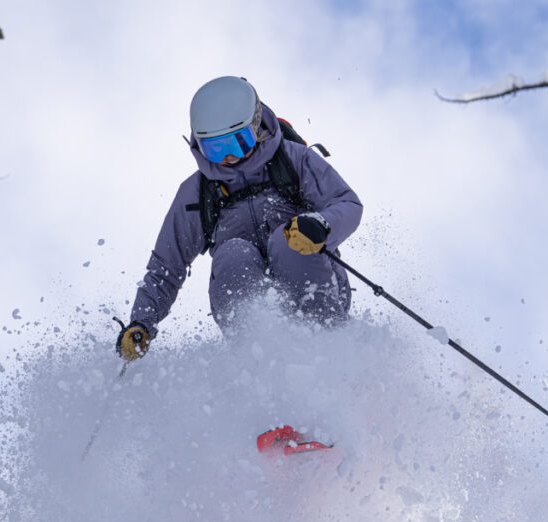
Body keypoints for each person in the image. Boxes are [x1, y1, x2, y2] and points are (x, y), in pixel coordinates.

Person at [116, 76, 363, 361]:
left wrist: (321, 226)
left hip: (312, 280)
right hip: (244, 285)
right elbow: (165, 268)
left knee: (288, 240)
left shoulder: (293, 159)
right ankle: (254, 356)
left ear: (256, 126)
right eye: (216, 149)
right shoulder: (197, 191)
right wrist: (141, 323)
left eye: (239, 142)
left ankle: (329, 344)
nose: (230, 157)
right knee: (232, 254)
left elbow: (347, 203)